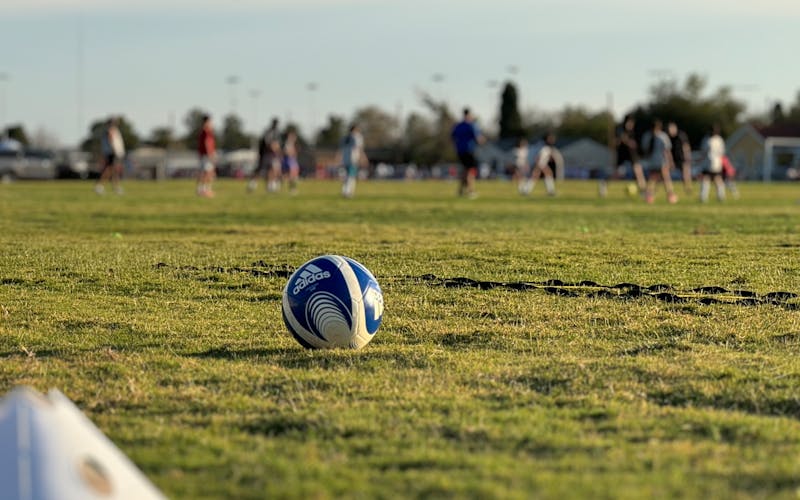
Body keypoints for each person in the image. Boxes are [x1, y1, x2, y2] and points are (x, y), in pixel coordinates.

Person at [641, 119, 678, 204]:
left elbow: (645, 150)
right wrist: (671, 161)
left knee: (652, 179)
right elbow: (667, 150)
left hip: (651, 161)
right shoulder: (662, 136)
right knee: (666, 179)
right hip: (661, 161)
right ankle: (670, 196)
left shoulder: (647, 136)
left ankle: (649, 196)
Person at [451, 108, 485, 198]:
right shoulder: (471, 125)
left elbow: (452, 136)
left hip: (460, 151)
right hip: (469, 150)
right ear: (469, 115)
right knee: (470, 171)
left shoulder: (458, 126)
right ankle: (470, 191)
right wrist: (483, 141)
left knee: (465, 170)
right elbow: (478, 138)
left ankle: (460, 191)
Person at [615, 114, 646, 196]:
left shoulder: (633, 131)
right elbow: (621, 138)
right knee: (618, 174)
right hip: (622, 154)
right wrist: (628, 142)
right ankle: (604, 184)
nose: (631, 124)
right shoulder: (620, 129)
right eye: (629, 122)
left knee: (638, 171)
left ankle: (642, 191)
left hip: (632, 154)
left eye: (632, 122)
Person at [248, 118, 281, 193]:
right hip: (265, 154)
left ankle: (270, 186)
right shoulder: (269, 132)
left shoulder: (275, 132)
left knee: (272, 170)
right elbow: (269, 144)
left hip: (271, 155)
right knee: (260, 170)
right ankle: (252, 184)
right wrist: (276, 149)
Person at [94, 117, 125, 195]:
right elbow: (111, 140)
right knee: (109, 169)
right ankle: (99, 186)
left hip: (113, 153)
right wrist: (114, 150)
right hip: (113, 153)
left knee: (114, 171)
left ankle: (116, 187)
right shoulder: (111, 131)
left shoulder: (112, 130)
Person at [525, 132, 562, 197]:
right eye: (551, 139)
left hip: (540, 163)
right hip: (539, 164)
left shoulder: (544, 145)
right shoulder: (543, 146)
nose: (552, 140)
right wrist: (537, 165)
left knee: (540, 175)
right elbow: (538, 156)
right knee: (538, 176)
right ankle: (550, 191)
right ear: (546, 139)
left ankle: (526, 190)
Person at [699, 124, 726, 202]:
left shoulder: (713, 140)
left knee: (714, 179)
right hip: (709, 162)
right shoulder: (716, 140)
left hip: (714, 163)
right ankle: (705, 197)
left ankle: (719, 196)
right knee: (708, 179)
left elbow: (721, 152)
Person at [340, 124, 366, 198]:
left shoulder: (344, 138)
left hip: (345, 159)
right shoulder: (357, 137)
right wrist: (363, 158)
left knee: (347, 176)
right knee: (351, 176)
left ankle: (345, 191)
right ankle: (348, 192)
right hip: (353, 158)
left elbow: (341, 149)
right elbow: (359, 148)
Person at [668, 121, 693, 194]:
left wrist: (687, 156)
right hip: (673, 158)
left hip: (682, 158)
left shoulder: (681, 135)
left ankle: (688, 189)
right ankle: (669, 189)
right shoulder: (669, 137)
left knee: (685, 174)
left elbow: (686, 146)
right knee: (665, 173)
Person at [196, 115, 216, 198]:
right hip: (206, 155)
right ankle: (203, 190)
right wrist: (210, 154)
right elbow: (207, 143)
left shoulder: (204, 131)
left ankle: (203, 189)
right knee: (207, 174)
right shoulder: (206, 131)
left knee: (207, 173)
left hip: (204, 155)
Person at [281, 129, 300, 194]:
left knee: (293, 176)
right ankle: (292, 189)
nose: (295, 138)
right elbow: (286, 152)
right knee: (291, 175)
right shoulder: (288, 143)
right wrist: (292, 153)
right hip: (289, 160)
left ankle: (292, 188)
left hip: (292, 160)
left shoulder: (292, 143)